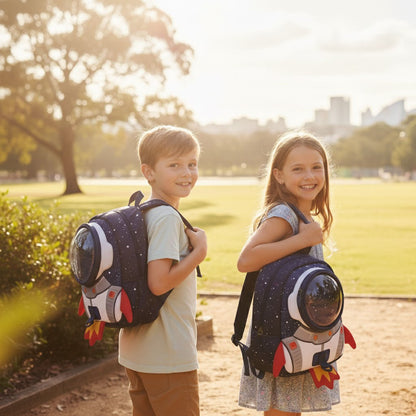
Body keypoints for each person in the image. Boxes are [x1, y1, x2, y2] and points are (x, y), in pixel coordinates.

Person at [236, 131, 339, 415]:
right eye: (298, 169)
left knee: (288, 409)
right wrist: (303, 239)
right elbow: (246, 260)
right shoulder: (284, 215)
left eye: (316, 167)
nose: (310, 176)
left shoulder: (303, 216)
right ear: (279, 175)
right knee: (282, 410)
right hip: (281, 334)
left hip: (295, 330)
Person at [118, 125, 207, 416]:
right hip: (168, 353)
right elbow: (159, 283)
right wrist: (199, 253)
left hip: (136, 351)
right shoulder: (167, 218)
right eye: (175, 165)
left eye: (192, 164)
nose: (187, 173)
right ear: (149, 172)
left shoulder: (141, 210)